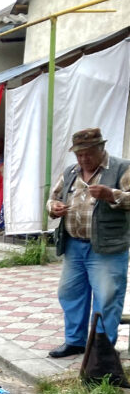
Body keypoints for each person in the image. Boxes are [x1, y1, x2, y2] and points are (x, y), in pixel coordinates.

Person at [46, 127, 130, 358]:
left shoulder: (121, 168)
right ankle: (75, 342)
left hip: (107, 247)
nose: (83, 159)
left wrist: (111, 195)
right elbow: (53, 197)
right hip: (74, 245)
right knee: (70, 293)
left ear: (101, 148)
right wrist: (53, 207)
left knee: (107, 297)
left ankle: (101, 349)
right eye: (79, 154)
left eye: (88, 153)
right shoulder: (71, 172)